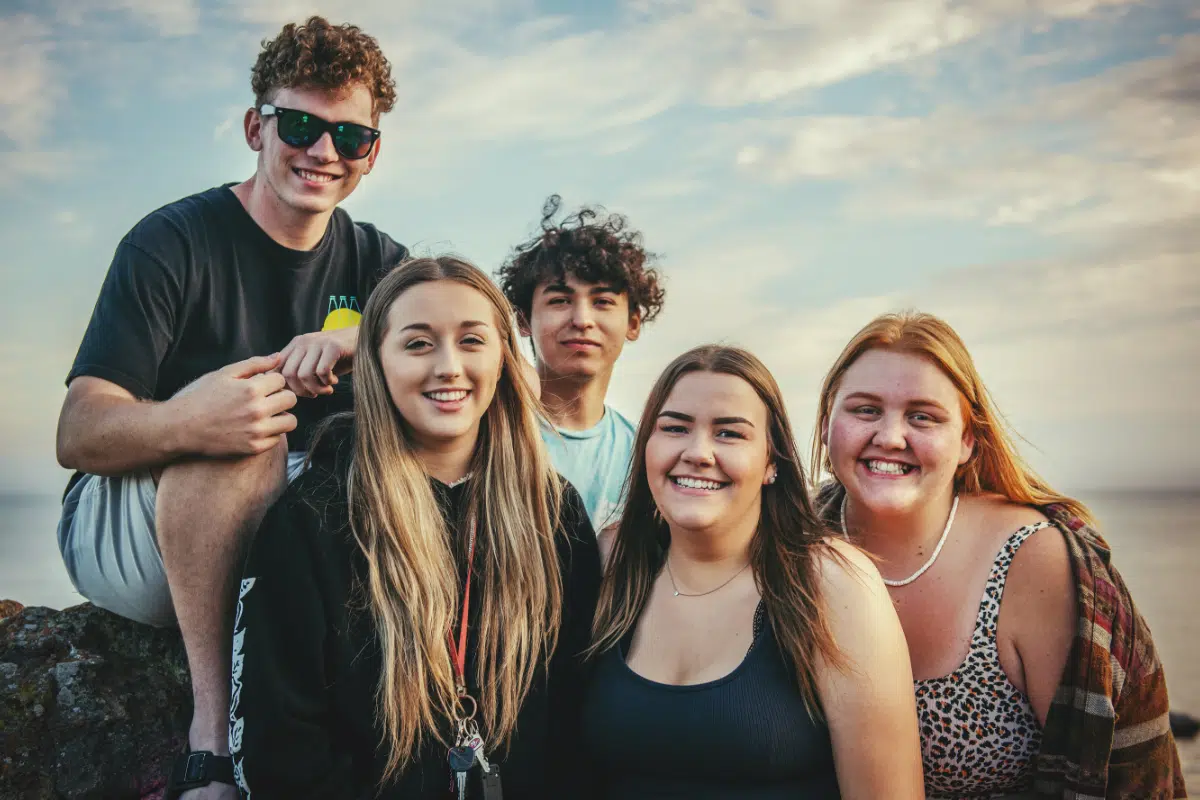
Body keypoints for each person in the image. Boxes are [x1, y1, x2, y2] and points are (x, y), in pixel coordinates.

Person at [53, 17, 406, 797]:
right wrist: (192, 420)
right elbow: (77, 433)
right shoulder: (172, 241)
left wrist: (361, 343)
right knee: (251, 422)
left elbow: (472, 369)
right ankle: (212, 747)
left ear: (370, 154)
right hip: (135, 535)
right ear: (257, 126)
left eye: (349, 136)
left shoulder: (384, 268)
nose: (323, 152)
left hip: (283, 538)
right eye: (303, 126)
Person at [228, 257, 603, 799]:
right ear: (377, 363)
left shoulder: (553, 513)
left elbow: (580, 712)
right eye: (418, 344)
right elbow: (277, 741)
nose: (448, 366)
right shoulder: (316, 516)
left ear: (503, 359)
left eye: (472, 341)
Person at [812, 311, 1186, 799]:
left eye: (922, 416)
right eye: (864, 410)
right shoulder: (792, 544)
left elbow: (1116, 778)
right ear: (826, 425)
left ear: (968, 440)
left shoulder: (1035, 561)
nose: (890, 436)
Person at [581, 345, 924, 799]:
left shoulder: (832, 584)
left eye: (729, 434)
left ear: (770, 463)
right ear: (646, 445)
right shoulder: (612, 564)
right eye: (675, 428)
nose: (698, 452)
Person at [497, 195, 665, 543]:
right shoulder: (490, 432)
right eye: (559, 301)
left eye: (603, 302)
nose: (582, 320)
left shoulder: (646, 455)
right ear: (524, 320)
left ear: (633, 322)